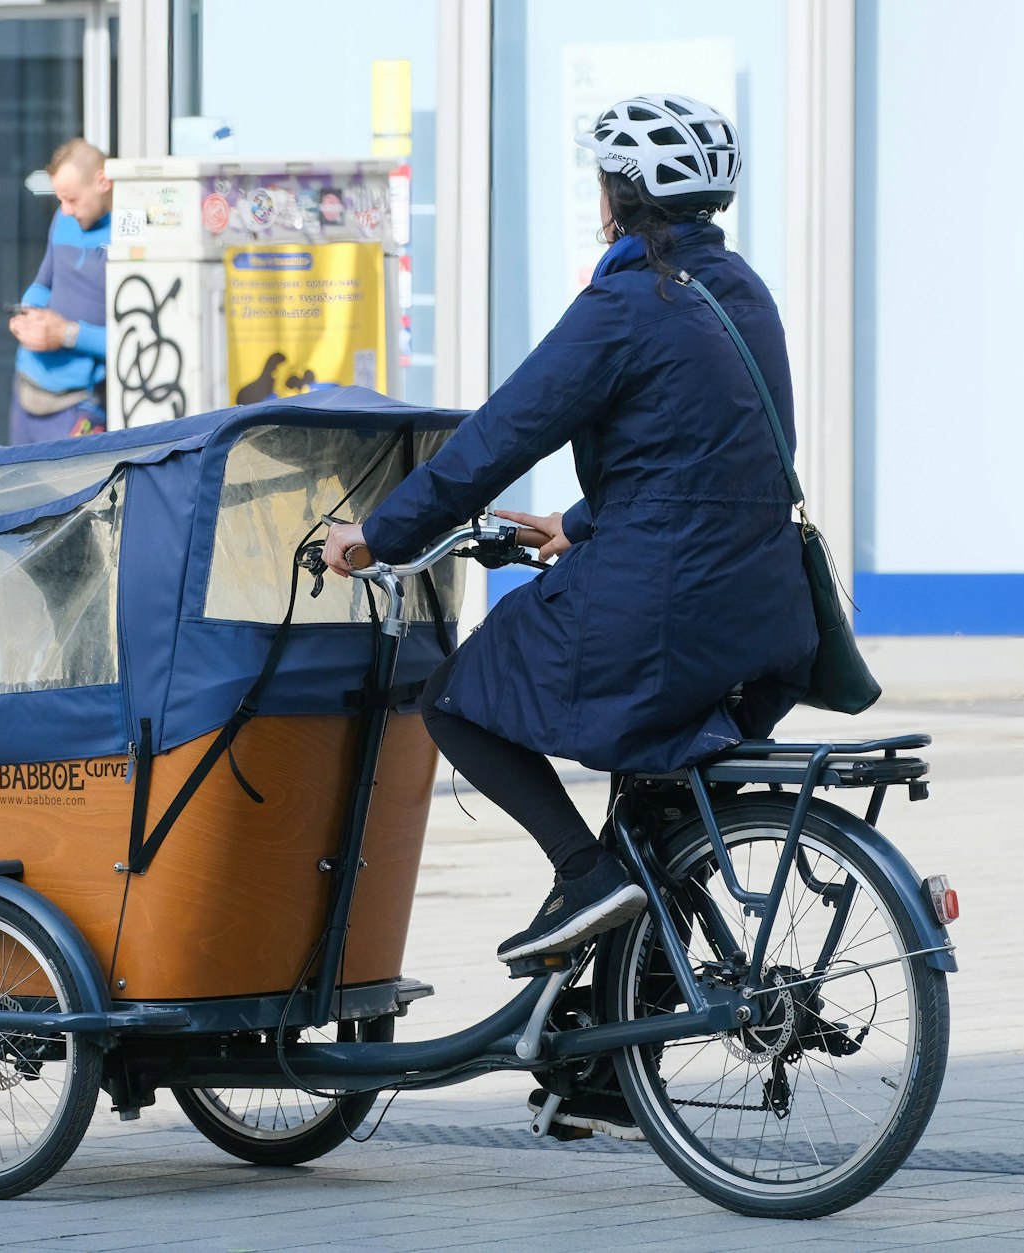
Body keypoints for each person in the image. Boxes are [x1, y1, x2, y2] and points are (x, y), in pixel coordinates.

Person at [323, 94, 817, 965]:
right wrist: (581, 523)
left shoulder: (624, 304)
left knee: (453, 697)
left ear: (618, 198)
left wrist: (381, 534)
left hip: (667, 601)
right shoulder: (740, 294)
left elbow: (502, 436)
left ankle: (581, 874)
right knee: (659, 827)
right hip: (764, 609)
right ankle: (607, 1070)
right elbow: (715, 447)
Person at [8, 137, 112, 444]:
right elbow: (44, 281)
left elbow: (134, 341)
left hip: (79, 401)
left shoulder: (128, 233)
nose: (65, 210)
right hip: (28, 386)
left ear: (102, 181)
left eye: (72, 199)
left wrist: (66, 333)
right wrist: (28, 313)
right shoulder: (63, 220)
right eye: (60, 200)